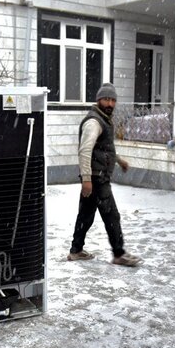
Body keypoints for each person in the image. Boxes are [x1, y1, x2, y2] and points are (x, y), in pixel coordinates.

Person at [67, 83, 142, 267]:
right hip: (97, 178)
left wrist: (119, 160)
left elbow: (103, 149)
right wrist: (86, 179)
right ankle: (119, 254)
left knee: (86, 215)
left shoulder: (103, 119)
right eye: (106, 99)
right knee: (112, 216)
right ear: (98, 100)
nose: (110, 104)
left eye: (113, 100)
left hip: (96, 176)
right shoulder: (94, 122)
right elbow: (85, 150)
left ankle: (76, 250)